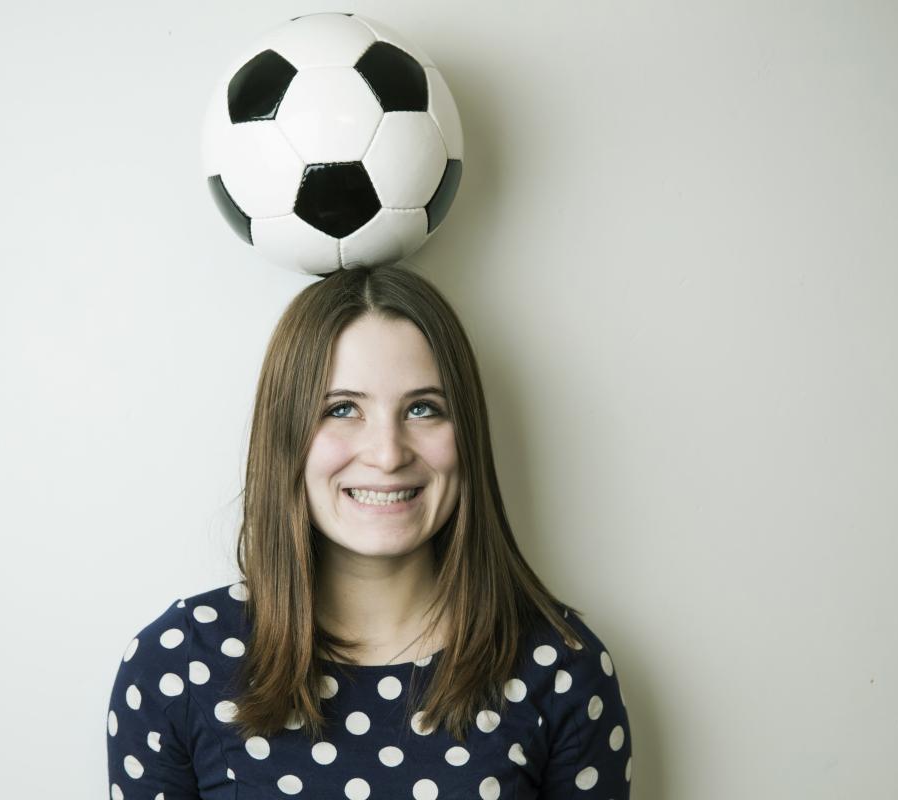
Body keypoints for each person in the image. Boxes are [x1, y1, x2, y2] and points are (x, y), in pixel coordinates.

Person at [105, 264, 632, 798]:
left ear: (466, 434)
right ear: (286, 435)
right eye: (343, 409)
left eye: (423, 409)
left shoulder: (563, 670)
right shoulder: (176, 666)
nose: (387, 454)